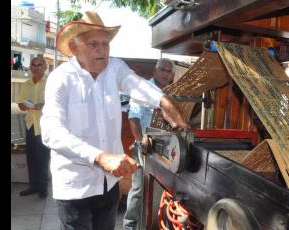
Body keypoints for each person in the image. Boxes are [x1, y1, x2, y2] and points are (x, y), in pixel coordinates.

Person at [40, 11, 189, 230]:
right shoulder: (60, 79)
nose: (102, 51)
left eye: (106, 44)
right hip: (74, 187)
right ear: (74, 47)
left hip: (108, 186)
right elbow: (51, 131)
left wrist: (165, 102)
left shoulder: (114, 68)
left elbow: (137, 84)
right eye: (93, 45)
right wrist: (98, 157)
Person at [123, 58, 175, 230]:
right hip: (143, 147)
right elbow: (134, 117)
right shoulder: (143, 89)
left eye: (169, 72)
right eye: (163, 70)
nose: (166, 74)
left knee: (161, 190)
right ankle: (129, 226)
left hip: (164, 149)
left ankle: (155, 224)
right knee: (138, 190)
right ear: (155, 71)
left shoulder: (171, 93)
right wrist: (140, 139)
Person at [17, 56, 50, 198]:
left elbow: (56, 102)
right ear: (30, 67)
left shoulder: (49, 83)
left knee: (43, 158)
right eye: (33, 65)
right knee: (31, 157)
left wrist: (44, 105)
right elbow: (20, 103)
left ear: (44, 68)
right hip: (30, 124)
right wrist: (23, 106)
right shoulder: (26, 84)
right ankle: (33, 186)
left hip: (44, 125)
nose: (36, 67)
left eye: (39, 65)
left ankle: (43, 189)